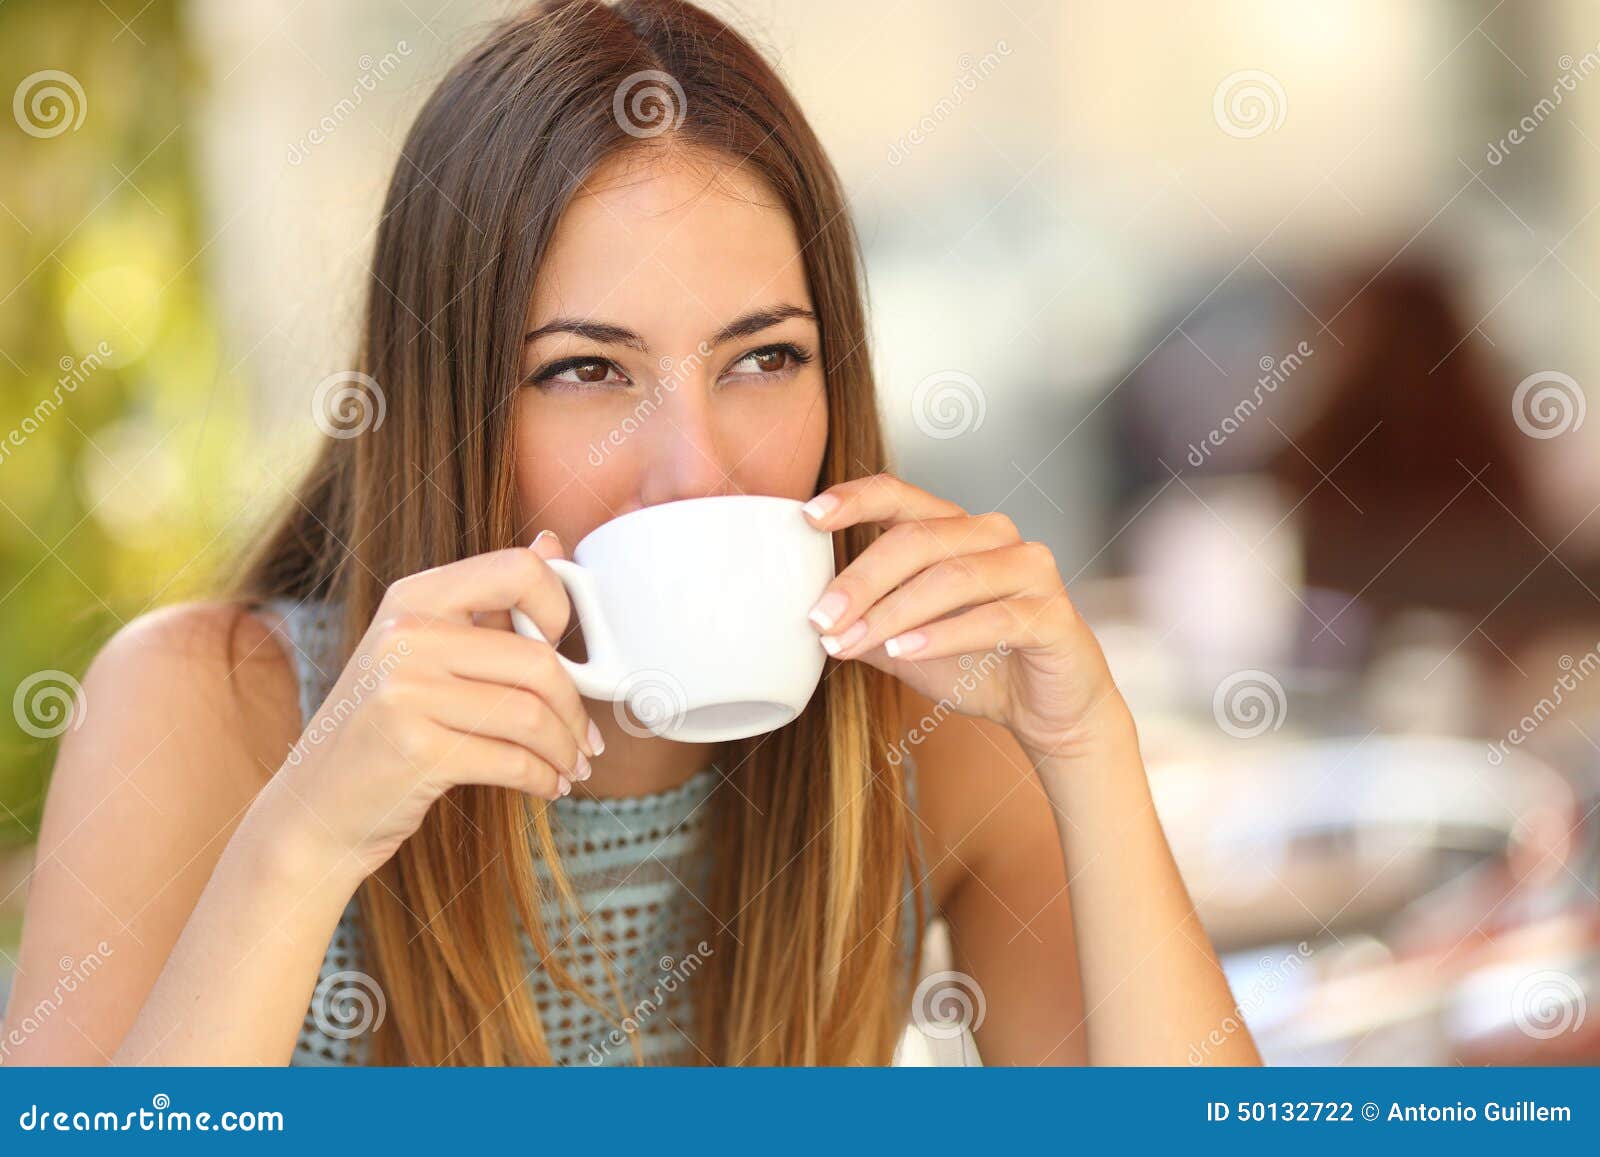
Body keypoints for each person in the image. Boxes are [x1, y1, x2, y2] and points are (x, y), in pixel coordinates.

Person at [2, 0, 1255, 1067]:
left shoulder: (927, 736)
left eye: (765, 356)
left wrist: (1087, 748)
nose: (697, 467)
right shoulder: (207, 708)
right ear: (448, 403)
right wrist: (303, 841)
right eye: (588, 372)